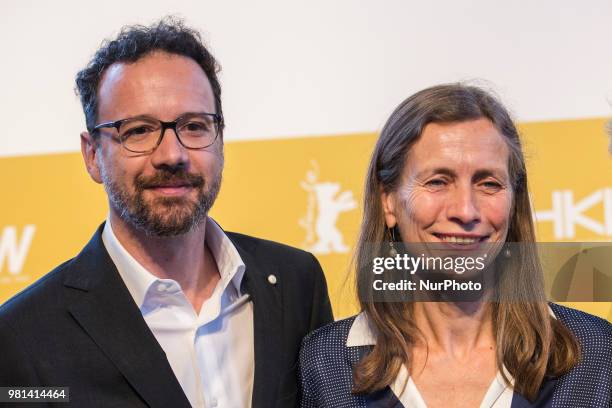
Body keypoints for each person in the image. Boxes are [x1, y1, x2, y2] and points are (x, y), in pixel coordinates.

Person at [0, 18, 333, 408]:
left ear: (220, 140)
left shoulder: (295, 284)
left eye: (193, 126)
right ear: (92, 155)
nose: (172, 155)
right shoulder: (23, 337)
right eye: (139, 130)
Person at [299, 84, 612, 407]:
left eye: (488, 183)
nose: (465, 210)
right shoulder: (327, 364)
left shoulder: (594, 355)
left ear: (514, 202)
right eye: (437, 182)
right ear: (388, 201)